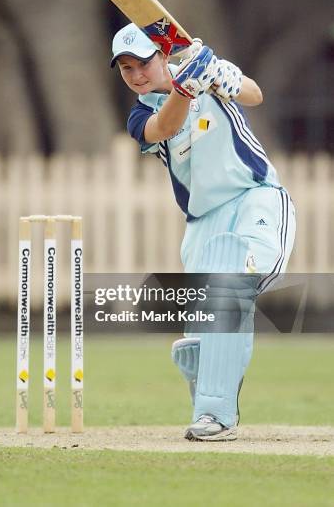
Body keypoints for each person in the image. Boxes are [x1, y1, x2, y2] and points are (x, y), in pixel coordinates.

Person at [111, 22, 296, 441]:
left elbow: (253, 94)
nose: (137, 74)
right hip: (202, 226)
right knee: (201, 335)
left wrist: (220, 75)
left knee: (231, 286)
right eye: (126, 68)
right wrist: (186, 88)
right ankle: (211, 381)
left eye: (143, 62)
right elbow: (163, 128)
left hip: (256, 200)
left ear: (163, 55)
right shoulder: (141, 115)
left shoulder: (204, 72)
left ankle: (216, 412)